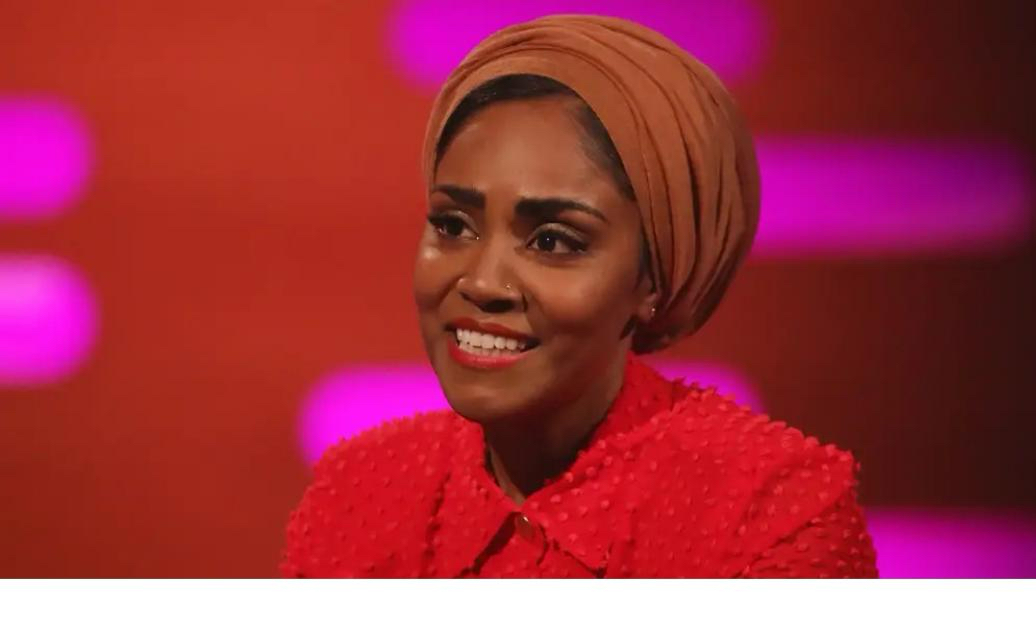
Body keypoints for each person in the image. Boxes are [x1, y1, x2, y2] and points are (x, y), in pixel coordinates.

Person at [280, 14, 878, 578]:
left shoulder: (774, 515)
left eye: (552, 241)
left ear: (654, 277)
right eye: (453, 225)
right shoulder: (356, 492)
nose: (482, 283)